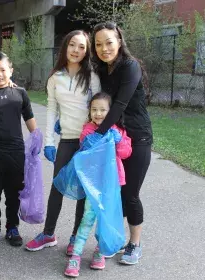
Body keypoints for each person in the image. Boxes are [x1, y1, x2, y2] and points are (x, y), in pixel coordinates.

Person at [25, 30, 101, 254]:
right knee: (57, 187)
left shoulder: (93, 77)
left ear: (86, 52)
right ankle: (48, 234)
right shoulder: (55, 78)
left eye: (82, 47)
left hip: (87, 142)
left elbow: (97, 109)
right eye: (73, 45)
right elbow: (51, 109)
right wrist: (49, 141)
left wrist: (94, 137)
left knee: (82, 192)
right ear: (65, 46)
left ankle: (76, 237)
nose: (76, 50)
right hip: (66, 141)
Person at [92, 22, 153, 265]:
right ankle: (115, 239)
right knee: (113, 193)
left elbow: (119, 105)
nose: (104, 48)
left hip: (137, 138)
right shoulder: (101, 70)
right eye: (98, 44)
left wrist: (97, 134)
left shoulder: (130, 66)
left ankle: (135, 243)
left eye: (109, 42)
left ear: (119, 41)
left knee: (130, 193)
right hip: (114, 140)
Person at [64, 92, 132, 277]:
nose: (98, 113)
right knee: (87, 220)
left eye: (103, 110)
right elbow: (85, 149)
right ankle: (75, 256)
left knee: (106, 221)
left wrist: (119, 140)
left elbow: (126, 152)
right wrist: (95, 139)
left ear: (112, 112)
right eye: (94, 109)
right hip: (94, 185)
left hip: (112, 184)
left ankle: (99, 252)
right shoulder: (88, 130)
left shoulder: (119, 130)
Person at [0, 51, 38, 247]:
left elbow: (29, 117)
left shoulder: (20, 93)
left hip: (16, 152)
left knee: (14, 192)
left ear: (11, 71)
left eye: (3, 70)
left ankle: (12, 228)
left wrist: (37, 139)